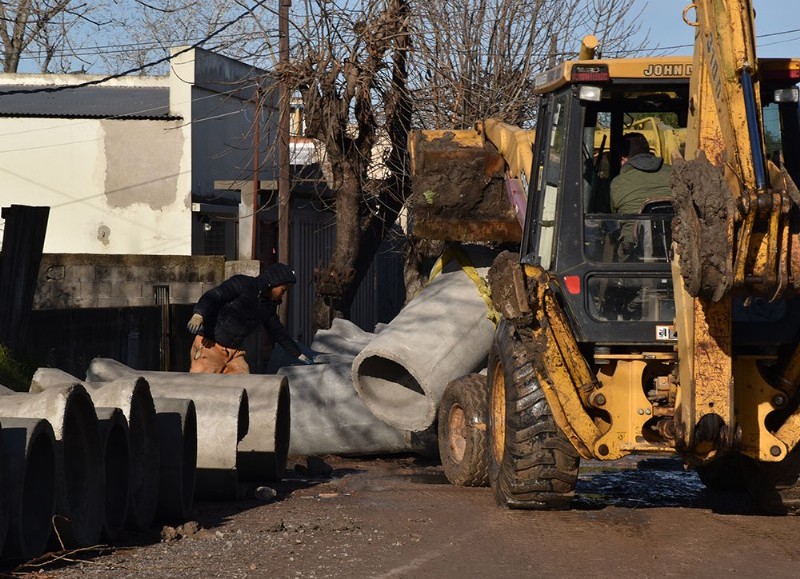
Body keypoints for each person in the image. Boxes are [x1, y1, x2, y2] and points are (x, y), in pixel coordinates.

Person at [186, 262, 312, 373]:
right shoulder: (243, 284)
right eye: (283, 290)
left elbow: (278, 332)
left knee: (245, 388)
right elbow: (214, 295)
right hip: (210, 346)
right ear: (274, 283)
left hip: (235, 353)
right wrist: (199, 313)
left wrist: (298, 354)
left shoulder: (268, 306)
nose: (283, 295)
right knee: (202, 387)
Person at [610, 131, 672, 260]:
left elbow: (615, 217)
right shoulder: (674, 172)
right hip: (676, 250)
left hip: (633, 255)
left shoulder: (617, 183)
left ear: (623, 159)